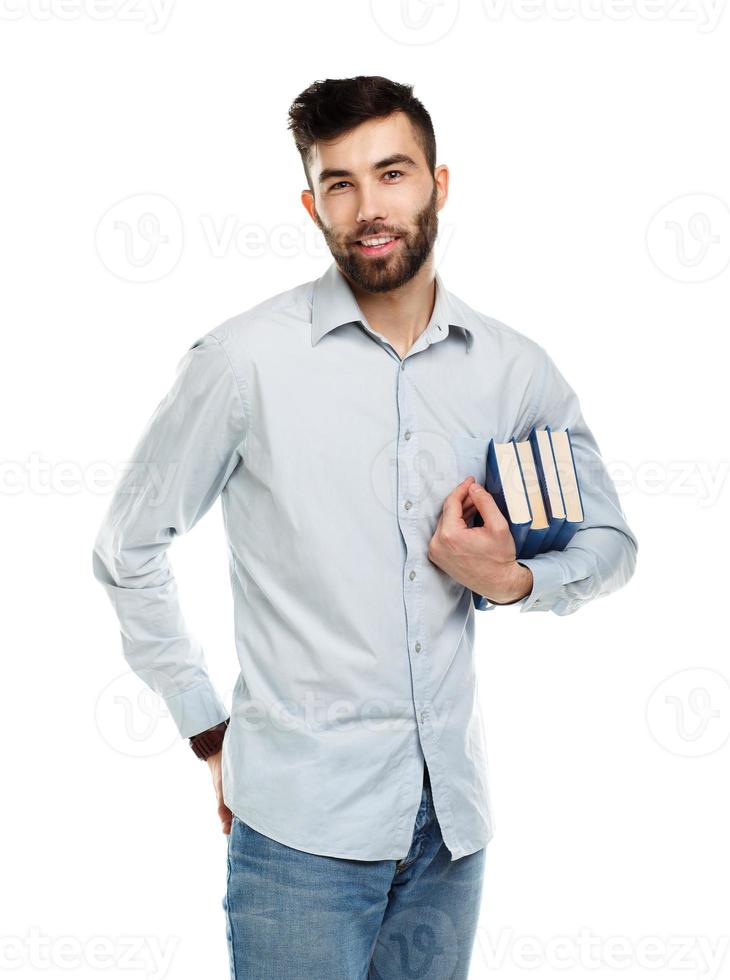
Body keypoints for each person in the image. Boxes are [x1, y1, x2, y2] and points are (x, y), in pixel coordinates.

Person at [92, 75, 638, 979]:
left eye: (391, 173)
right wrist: (207, 728)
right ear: (312, 205)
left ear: (439, 184)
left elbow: (612, 545)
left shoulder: (511, 368)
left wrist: (509, 580)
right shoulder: (242, 363)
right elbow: (127, 551)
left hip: (451, 831)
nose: (368, 207)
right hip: (300, 832)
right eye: (339, 183)